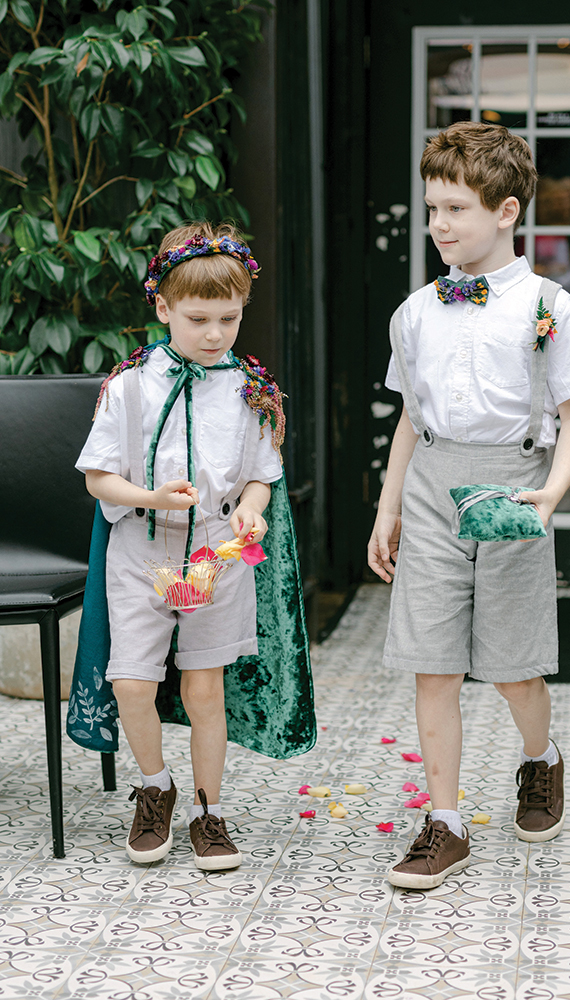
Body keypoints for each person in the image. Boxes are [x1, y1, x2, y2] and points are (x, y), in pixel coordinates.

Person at [368, 122, 570, 890]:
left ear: (504, 212)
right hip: (432, 482)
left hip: (511, 486)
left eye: (455, 209)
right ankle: (443, 823)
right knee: (430, 665)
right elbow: (410, 416)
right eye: (431, 207)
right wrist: (387, 506)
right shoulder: (413, 312)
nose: (438, 224)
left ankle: (540, 761)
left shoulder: (546, 306)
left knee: (511, 667)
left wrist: (548, 495)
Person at [75, 222, 286, 870]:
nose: (216, 334)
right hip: (142, 551)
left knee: (204, 690)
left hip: (217, 554)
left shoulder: (249, 389)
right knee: (133, 683)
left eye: (230, 318)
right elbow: (97, 476)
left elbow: (260, 475)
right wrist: (152, 499)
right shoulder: (130, 385)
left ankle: (207, 810)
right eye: (198, 319)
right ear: (163, 307)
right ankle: (155, 786)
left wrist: (251, 510)